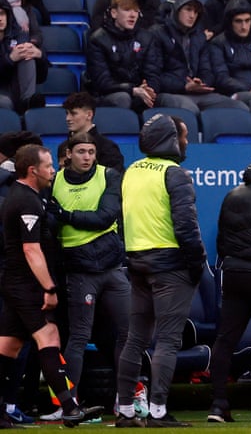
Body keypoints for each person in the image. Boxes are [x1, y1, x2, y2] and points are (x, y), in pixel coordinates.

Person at [0, 144, 105, 427]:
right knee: (49, 338)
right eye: (48, 166)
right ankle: (70, 407)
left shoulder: (27, 196)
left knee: (8, 347)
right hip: (26, 284)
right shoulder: (26, 201)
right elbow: (31, 250)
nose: (53, 170)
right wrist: (49, 288)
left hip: (14, 282)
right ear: (32, 170)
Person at [115, 114, 206, 427]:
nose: (186, 142)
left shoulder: (132, 171)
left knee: (135, 339)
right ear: (170, 139)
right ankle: (157, 412)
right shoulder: (174, 173)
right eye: (183, 136)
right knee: (168, 341)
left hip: (137, 263)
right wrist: (197, 266)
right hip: (170, 266)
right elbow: (186, 227)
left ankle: (125, 411)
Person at [47, 132, 128, 408]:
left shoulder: (109, 176)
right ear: (69, 154)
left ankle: (126, 399)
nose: (87, 158)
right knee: (78, 336)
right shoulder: (54, 181)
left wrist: (67, 216)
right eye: (81, 152)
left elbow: (105, 217)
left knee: (129, 332)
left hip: (111, 266)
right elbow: (49, 225)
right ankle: (67, 404)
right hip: (78, 268)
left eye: (91, 152)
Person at [206, 156, 251, 423]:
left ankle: (218, 405)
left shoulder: (231, 195)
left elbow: (221, 241)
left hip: (234, 274)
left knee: (225, 340)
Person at [147, 0, 249, 115]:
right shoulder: (158, 34)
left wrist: (201, 83)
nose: (192, 15)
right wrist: (183, 85)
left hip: (197, 92)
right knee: (190, 109)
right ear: (177, 10)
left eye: (196, 12)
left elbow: (207, 70)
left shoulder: (199, 37)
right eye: (188, 10)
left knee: (240, 108)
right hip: (168, 93)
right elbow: (154, 75)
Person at [84, 0, 158, 112]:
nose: (133, 15)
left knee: (163, 100)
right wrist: (132, 89)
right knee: (123, 98)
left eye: (136, 11)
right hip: (106, 95)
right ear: (114, 13)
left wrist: (149, 89)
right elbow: (102, 82)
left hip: (139, 91)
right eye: (127, 10)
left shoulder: (146, 38)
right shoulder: (98, 40)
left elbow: (152, 73)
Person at [57, 91, 123, 169]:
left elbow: (115, 178)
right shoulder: (63, 146)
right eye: (67, 113)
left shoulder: (107, 148)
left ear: (89, 115)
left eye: (73, 113)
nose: (67, 118)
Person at [0, 0, 41, 112]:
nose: (0, 18)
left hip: (14, 88)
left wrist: (39, 55)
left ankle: (28, 102)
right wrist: (10, 59)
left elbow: (43, 75)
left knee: (27, 56)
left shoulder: (18, 33)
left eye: (2, 14)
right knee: (6, 102)